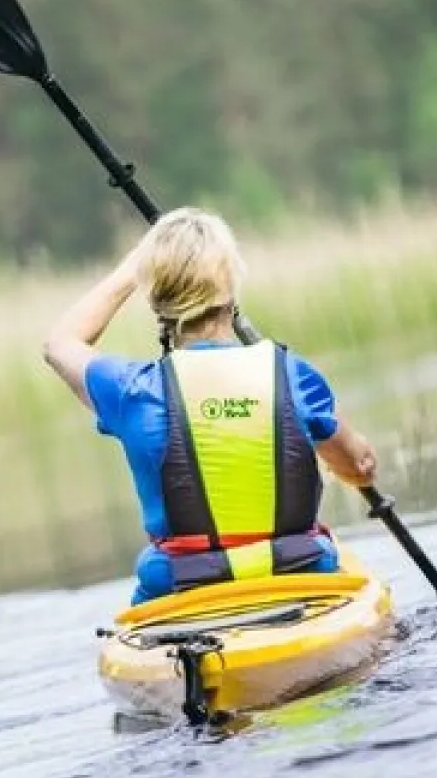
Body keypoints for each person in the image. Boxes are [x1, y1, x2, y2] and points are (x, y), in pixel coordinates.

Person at [42, 207, 382, 605]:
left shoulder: (133, 390)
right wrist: (357, 472)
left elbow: (60, 344)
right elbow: (358, 466)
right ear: (230, 289)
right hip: (301, 578)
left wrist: (130, 272)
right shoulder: (291, 376)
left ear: (157, 299)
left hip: (180, 593)